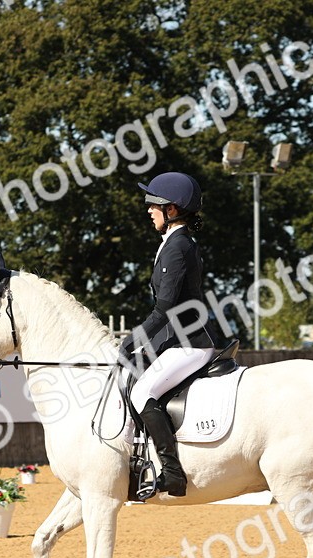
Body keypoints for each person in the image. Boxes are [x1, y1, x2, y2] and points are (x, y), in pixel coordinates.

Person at [118, 172, 219, 497]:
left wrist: (132, 341)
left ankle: (173, 474)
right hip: (176, 340)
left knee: (142, 393)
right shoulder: (174, 242)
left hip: (190, 343)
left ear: (171, 210)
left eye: (154, 205)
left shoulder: (178, 246)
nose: (149, 210)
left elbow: (164, 309)